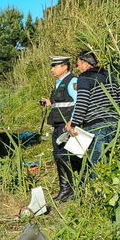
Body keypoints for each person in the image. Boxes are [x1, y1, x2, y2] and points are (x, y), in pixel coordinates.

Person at [68, 50, 120, 171]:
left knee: (98, 165)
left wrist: (74, 123)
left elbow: (82, 103)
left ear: (85, 63)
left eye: (78, 65)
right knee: (116, 162)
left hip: (96, 126)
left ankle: (96, 183)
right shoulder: (110, 75)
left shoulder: (84, 78)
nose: (78, 69)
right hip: (116, 124)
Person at [40, 56, 77, 201]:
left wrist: (72, 121)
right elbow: (63, 102)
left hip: (66, 125)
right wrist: (49, 102)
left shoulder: (72, 81)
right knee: (58, 156)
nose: (52, 69)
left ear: (64, 66)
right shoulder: (58, 82)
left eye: (55, 66)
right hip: (57, 125)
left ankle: (70, 189)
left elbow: (79, 102)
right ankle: (65, 189)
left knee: (64, 156)